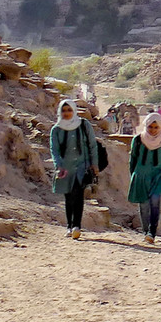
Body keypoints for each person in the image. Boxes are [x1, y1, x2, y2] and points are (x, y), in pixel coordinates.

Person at [49, 99, 103, 240]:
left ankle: (76, 226)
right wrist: (58, 165)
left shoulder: (84, 125)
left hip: (81, 166)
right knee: (68, 196)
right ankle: (69, 225)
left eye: (69, 110)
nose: (67, 113)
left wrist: (94, 164)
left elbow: (92, 145)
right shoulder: (56, 129)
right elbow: (54, 150)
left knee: (78, 194)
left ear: (74, 111)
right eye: (64, 110)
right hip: (65, 168)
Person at [128, 114, 161, 245]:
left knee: (155, 201)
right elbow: (133, 159)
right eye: (150, 127)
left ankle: (152, 232)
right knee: (143, 205)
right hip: (141, 175)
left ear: (160, 127)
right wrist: (134, 175)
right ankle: (145, 231)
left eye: (156, 127)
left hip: (159, 175)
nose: (153, 130)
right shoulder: (138, 139)